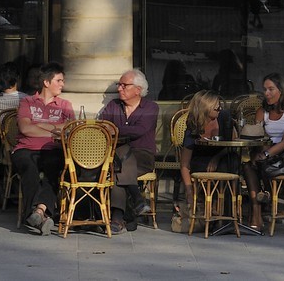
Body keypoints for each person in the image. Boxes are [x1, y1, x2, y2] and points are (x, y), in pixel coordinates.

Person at [14, 62, 74, 235]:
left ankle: (38, 213)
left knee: (54, 171)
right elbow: (25, 129)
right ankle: (39, 215)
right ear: (46, 83)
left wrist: (39, 125)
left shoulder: (65, 105)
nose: (62, 84)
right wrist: (54, 129)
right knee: (29, 169)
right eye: (59, 80)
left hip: (53, 150)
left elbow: (69, 129)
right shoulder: (27, 101)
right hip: (25, 148)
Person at [97, 68, 158, 231]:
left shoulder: (150, 108)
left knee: (119, 167)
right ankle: (136, 202)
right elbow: (102, 127)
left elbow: (140, 130)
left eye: (124, 85)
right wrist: (113, 129)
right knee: (120, 165)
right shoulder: (113, 106)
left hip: (142, 155)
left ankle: (118, 217)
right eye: (119, 85)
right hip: (116, 156)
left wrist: (114, 130)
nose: (119, 89)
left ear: (138, 89)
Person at [244, 72, 284, 233]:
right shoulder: (261, 111)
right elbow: (256, 137)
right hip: (269, 152)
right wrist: (260, 152)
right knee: (248, 166)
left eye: (271, 89)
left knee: (262, 162)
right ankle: (258, 210)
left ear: (281, 91)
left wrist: (265, 154)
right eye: (265, 90)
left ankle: (265, 201)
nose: (267, 93)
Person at [172, 89, 236, 233]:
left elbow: (233, 144)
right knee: (207, 167)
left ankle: (224, 215)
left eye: (220, 107)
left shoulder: (224, 117)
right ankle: (213, 214)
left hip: (223, 155)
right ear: (205, 108)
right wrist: (188, 191)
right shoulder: (193, 124)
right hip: (200, 160)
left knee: (228, 164)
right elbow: (184, 164)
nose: (220, 110)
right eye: (216, 108)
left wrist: (217, 157)